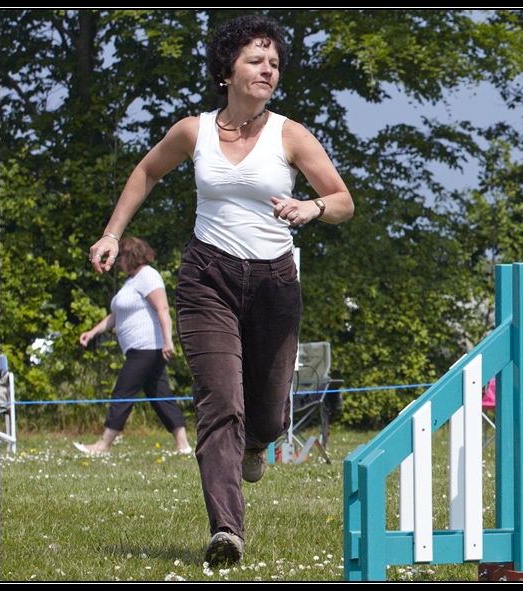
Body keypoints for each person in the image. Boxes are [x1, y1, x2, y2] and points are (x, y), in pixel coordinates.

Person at [86, 15, 353, 566]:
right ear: (227, 69)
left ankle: (260, 441)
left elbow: (343, 200)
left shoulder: (290, 134)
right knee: (219, 401)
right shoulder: (194, 130)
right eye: (257, 60)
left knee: (266, 418)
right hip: (207, 278)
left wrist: (312, 206)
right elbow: (145, 172)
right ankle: (226, 528)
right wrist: (113, 233)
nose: (268, 70)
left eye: (274, 63)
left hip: (275, 282)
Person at [75, 237, 191, 455]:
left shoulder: (148, 275)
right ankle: (183, 445)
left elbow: (163, 309)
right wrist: (91, 333)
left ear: (131, 256)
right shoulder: (131, 282)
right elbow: (115, 316)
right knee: (160, 396)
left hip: (146, 349)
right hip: (141, 350)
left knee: (123, 392)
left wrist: (168, 341)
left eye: (120, 259)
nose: (117, 263)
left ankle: (103, 445)